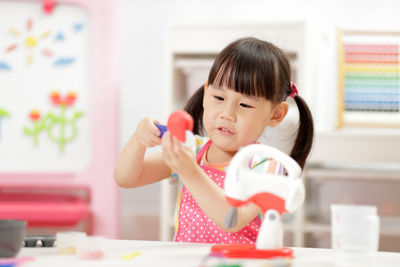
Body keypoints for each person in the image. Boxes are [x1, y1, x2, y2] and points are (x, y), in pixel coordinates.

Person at [114, 37, 314, 244]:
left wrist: (190, 172)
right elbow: (127, 178)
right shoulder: (192, 151)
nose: (227, 114)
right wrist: (138, 141)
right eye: (219, 98)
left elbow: (233, 219)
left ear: (276, 114)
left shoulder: (265, 166)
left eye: (245, 105)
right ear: (205, 94)